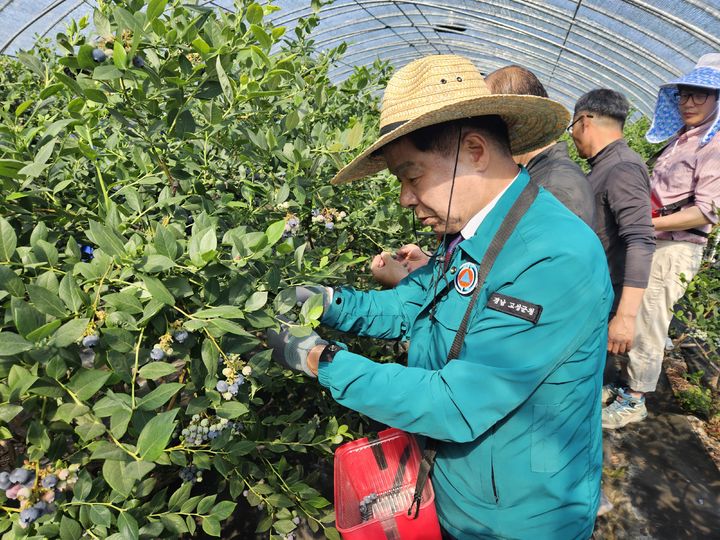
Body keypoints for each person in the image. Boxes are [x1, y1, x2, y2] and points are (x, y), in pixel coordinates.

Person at [268, 54, 613, 538]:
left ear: (474, 150)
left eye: (412, 176)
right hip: (451, 490)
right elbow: (412, 306)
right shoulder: (469, 235)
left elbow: (456, 403)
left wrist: (320, 361)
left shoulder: (553, 257)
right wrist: (326, 301)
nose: (406, 198)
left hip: (517, 517)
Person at [371, 64, 595, 288]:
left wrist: (410, 285)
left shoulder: (558, 187)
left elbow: (531, 284)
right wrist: (435, 263)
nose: (404, 199)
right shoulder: (530, 183)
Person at [602, 53, 720, 429]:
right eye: (685, 94)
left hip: (676, 246)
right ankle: (627, 386)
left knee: (649, 318)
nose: (689, 102)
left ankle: (635, 399)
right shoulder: (681, 140)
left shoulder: (714, 146)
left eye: (700, 95)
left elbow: (706, 211)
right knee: (633, 313)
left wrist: (647, 225)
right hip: (657, 239)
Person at [568, 89, 656, 425]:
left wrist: (626, 316)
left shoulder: (622, 168)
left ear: (585, 121)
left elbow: (641, 239)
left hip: (609, 291)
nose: (573, 137)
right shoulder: (605, 166)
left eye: (572, 128)